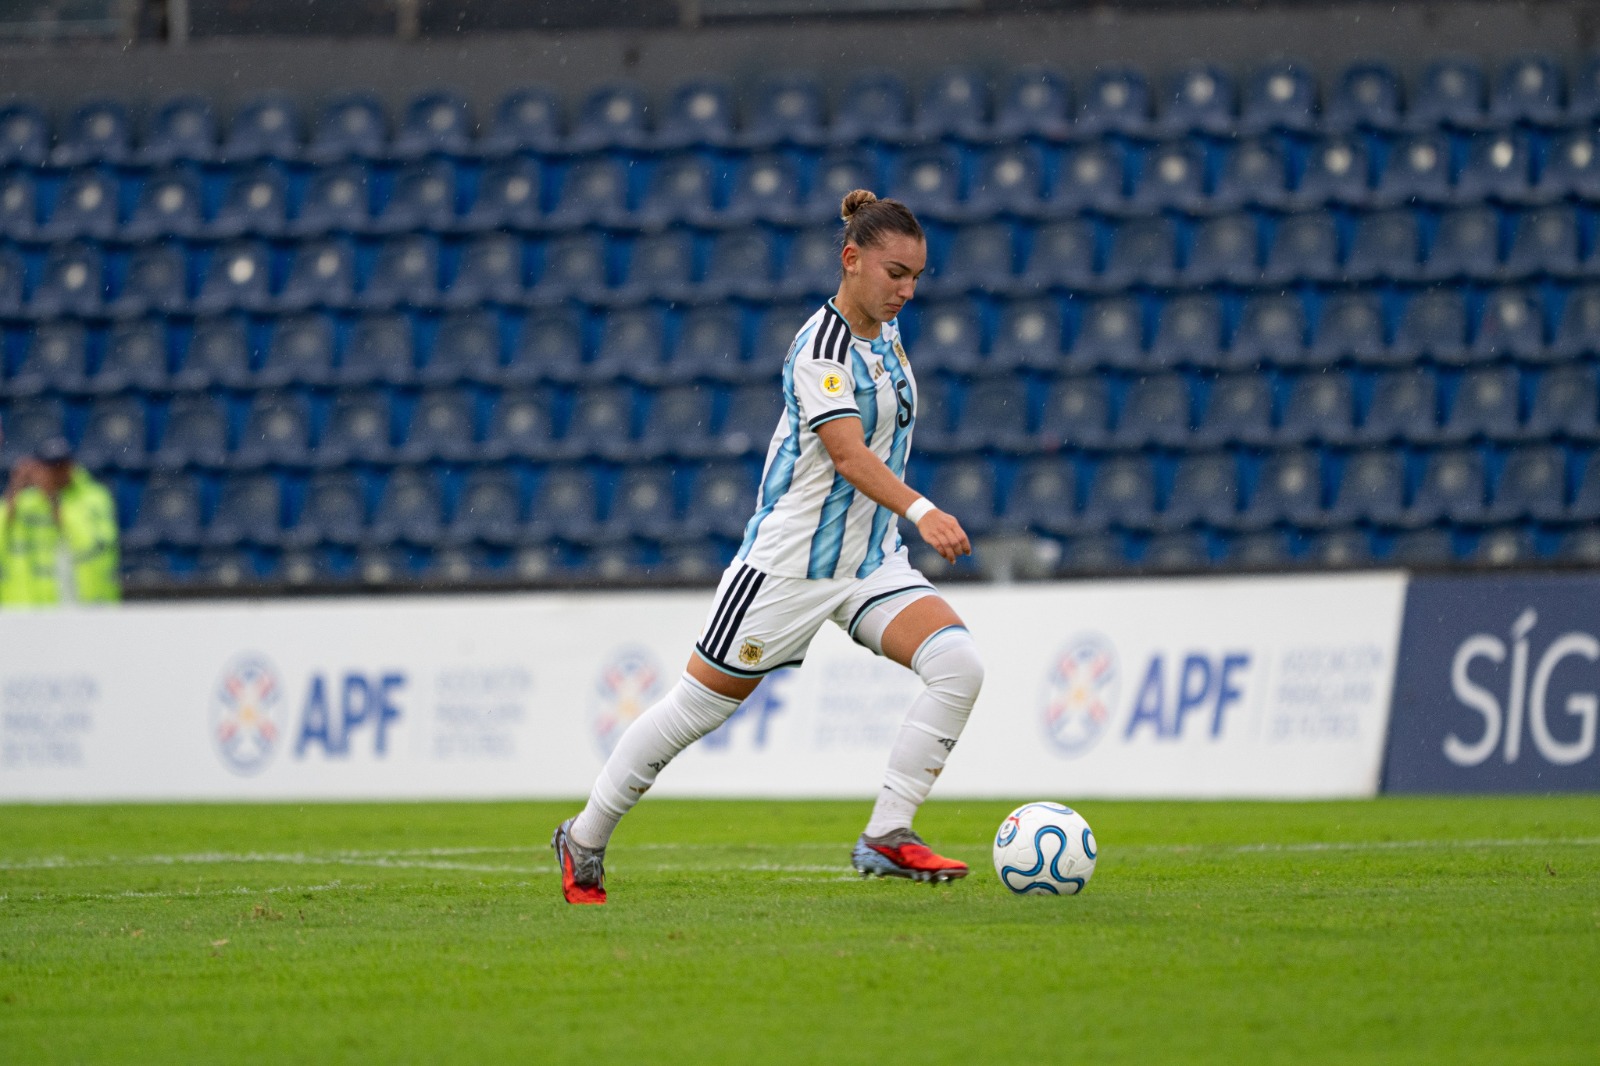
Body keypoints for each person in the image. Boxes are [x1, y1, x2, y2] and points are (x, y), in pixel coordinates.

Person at [552, 189, 984, 905]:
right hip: (788, 566)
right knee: (695, 710)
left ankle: (887, 834)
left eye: (915, 277)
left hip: (868, 561)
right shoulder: (820, 350)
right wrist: (922, 509)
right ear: (851, 260)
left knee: (958, 666)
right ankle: (584, 837)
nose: (908, 291)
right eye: (896, 274)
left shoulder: (886, 334)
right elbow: (847, 455)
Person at [0, 436, 121, 607]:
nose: (56, 473)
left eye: (62, 465)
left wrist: (52, 499)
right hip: (25, 609)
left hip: (80, 606)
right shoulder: (24, 502)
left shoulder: (94, 497)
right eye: (50, 467)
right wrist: (14, 488)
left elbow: (89, 546)